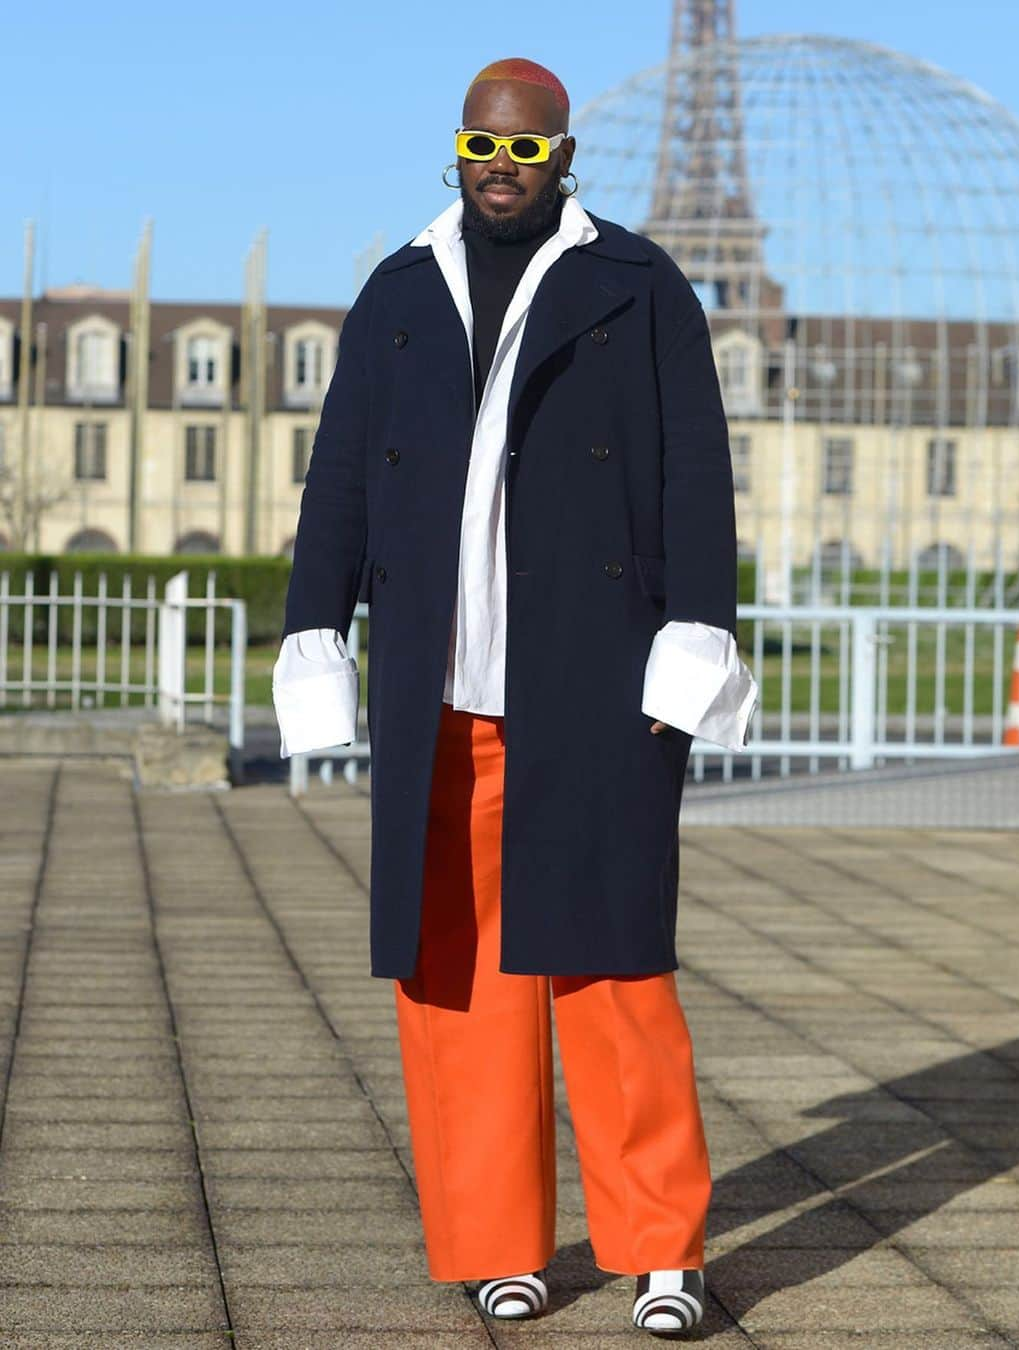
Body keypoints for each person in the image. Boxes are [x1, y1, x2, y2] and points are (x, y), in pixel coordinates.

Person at [273, 55, 758, 1336]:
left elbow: (696, 479)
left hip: (594, 682)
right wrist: (314, 630)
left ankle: (662, 1247)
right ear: (457, 152)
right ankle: (502, 1242)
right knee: (459, 986)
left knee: (612, 975)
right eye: (481, 147)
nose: (502, 168)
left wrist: (695, 635)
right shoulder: (396, 292)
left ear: (563, 158)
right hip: (441, 693)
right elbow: (340, 488)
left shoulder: (638, 285)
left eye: (527, 151)